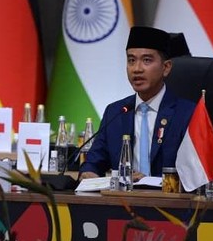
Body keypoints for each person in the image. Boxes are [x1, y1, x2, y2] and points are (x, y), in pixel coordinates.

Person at [79, 27, 195, 180]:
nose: (137, 69)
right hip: (123, 202)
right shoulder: (115, 112)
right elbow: (94, 161)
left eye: (147, 60)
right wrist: (88, 173)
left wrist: (150, 181)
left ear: (166, 68)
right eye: (131, 60)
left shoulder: (188, 113)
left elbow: (196, 175)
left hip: (168, 202)